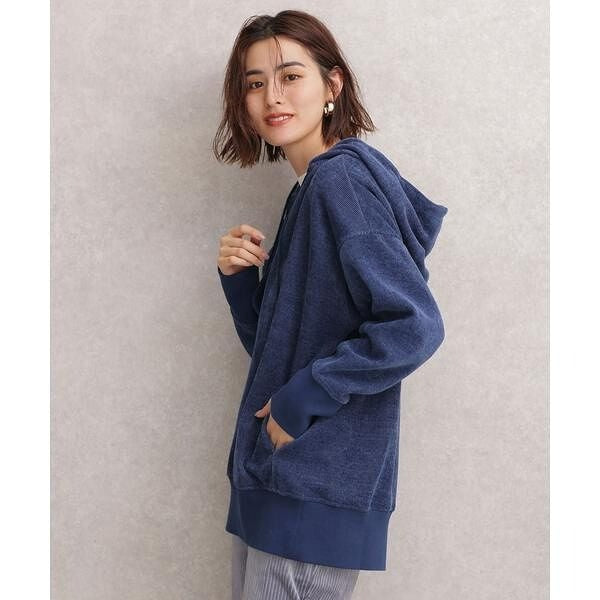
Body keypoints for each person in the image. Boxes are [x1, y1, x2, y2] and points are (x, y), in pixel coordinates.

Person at [214, 10, 448, 600]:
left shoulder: (340, 184)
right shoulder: (311, 190)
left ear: (332, 85)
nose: (273, 96)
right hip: (284, 483)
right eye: (255, 82)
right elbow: (282, 349)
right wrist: (241, 283)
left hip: (312, 489)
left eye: (291, 76)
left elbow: (414, 325)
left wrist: (303, 401)